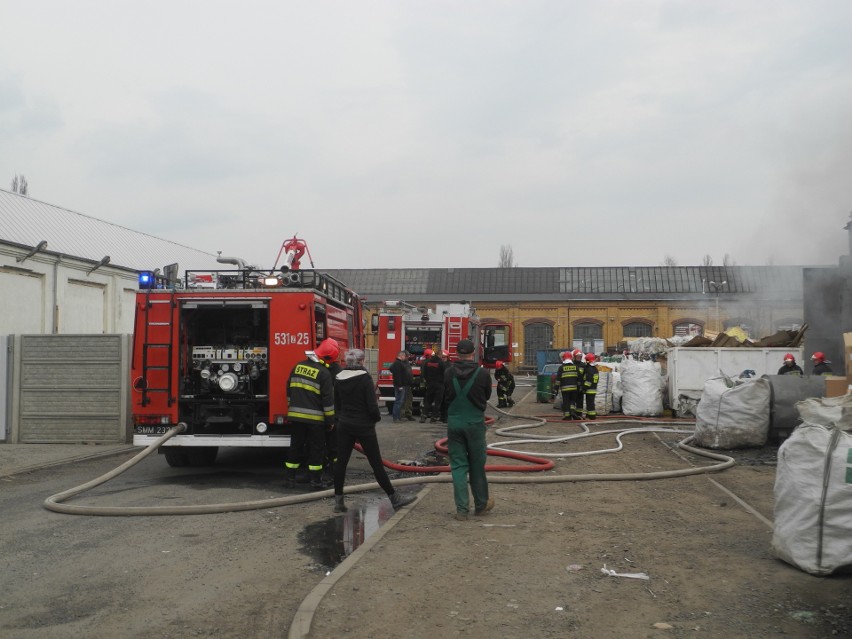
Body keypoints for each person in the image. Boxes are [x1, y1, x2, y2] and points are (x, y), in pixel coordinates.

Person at [331, 349, 416, 513]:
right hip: (364, 426)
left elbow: (337, 404)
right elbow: (372, 406)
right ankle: (394, 498)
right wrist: (375, 419)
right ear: (362, 361)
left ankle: (338, 502)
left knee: (341, 463)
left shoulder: (338, 378)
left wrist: (342, 419)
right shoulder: (364, 378)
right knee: (376, 464)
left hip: (345, 425)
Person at [443, 338, 494, 521]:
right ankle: (481, 505)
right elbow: (487, 395)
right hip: (474, 424)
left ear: (457, 353)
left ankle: (462, 510)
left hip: (454, 423)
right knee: (477, 466)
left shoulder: (448, 373)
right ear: (473, 353)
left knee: (457, 466)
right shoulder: (483, 374)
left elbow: (445, 395)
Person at [284, 340, 337, 489]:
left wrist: (291, 407)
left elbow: (289, 389)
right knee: (316, 449)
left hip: (295, 417)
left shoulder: (297, 366)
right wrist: (330, 421)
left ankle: (290, 479)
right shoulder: (324, 373)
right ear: (327, 358)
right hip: (315, 420)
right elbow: (328, 401)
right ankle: (316, 482)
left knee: (295, 447)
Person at [420, 348, 446, 423]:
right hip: (439, 385)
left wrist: (428, 381)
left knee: (428, 401)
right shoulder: (441, 363)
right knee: (437, 402)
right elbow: (445, 374)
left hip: (430, 384)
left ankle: (423, 416)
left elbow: (424, 373)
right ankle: (434, 417)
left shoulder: (427, 362)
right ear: (439, 354)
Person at [388, 350, 414, 422]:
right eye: (405, 356)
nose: (406, 358)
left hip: (404, 385)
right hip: (400, 385)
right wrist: (400, 385)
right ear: (401, 356)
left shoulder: (399, 363)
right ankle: (396, 417)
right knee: (399, 402)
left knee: (400, 401)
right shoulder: (398, 364)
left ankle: (398, 417)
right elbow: (397, 376)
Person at [556, 350, 579, 420]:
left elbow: (558, 380)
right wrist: (579, 387)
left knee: (566, 402)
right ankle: (572, 411)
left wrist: (555, 389)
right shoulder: (575, 367)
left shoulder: (561, 368)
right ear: (571, 358)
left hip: (565, 389)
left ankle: (567, 416)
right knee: (572, 401)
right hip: (574, 388)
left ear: (564, 358)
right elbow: (579, 378)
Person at [582, 353, 599, 420]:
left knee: (590, 403)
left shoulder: (589, 369)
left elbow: (588, 380)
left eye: (586, 360)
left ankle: (592, 416)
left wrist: (584, 388)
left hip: (589, 389)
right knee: (590, 402)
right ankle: (589, 415)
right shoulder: (595, 369)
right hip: (593, 388)